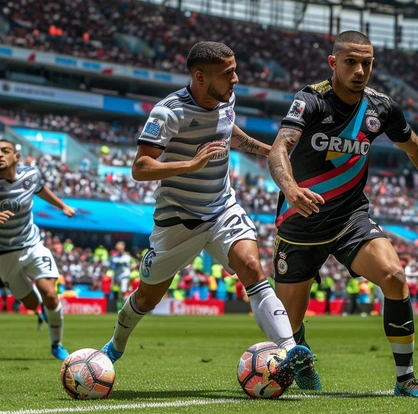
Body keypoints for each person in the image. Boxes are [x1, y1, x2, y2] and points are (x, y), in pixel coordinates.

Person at [268, 30, 418, 400]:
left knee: (394, 275)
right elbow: (279, 148)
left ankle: (406, 379)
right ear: (333, 63)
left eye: (367, 63)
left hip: (350, 219)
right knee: (288, 325)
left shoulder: (382, 108)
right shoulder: (310, 101)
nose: (360, 70)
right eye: (351, 62)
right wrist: (290, 189)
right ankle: (303, 358)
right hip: (299, 222)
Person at [100, 41, 312, 390]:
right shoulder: (168, 112)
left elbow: (229, 132)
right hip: (178, 220)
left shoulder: (227, 99)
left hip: (222, 209)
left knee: (252, 268)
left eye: (234, 69)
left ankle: (292, 352)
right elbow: (140, 167)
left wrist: (269, 151)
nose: (236, 78)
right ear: (200, 76)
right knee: (146, 297)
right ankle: (115, 346)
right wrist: (192, 164)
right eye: (228, 73)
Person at [0, 139, 75, 359]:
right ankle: (40, 310)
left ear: (17, 157)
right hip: (5, 256)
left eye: (5, 151)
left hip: (32, 245)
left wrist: (62, 206)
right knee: (32, 304)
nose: (0, 155)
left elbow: (41, 190)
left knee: (51, 296)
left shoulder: (29, 175)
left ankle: (57, 345)